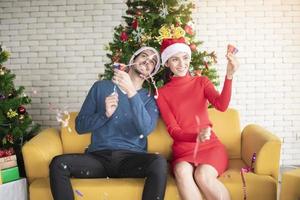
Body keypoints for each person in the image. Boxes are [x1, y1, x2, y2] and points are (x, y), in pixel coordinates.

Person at [49, 46, 168, 200]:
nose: (147, 61)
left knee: (159, 163)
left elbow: (145, 129)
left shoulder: (149, 98)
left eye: (152, 62)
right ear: (133, 60)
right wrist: (104, 115)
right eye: (144, 56)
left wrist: (131, 93)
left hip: (131, 160)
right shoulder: (101, 87)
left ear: (151, 72)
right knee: (58, 164)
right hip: (98, 159)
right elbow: (80, 126)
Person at [156, 37, 239, 200]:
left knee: (203, 175)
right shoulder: (162, 93)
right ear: (167, 63)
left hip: (210, 147)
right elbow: (173, 130)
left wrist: (229, 75)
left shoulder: (201, 82)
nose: (181, 64)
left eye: (185, 58)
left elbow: (221, 105)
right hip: (184, 150)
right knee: (181, 171)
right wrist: (196, 137)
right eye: (175, 59)